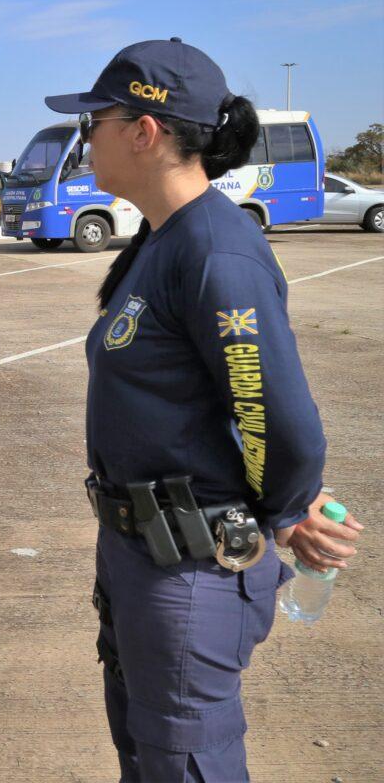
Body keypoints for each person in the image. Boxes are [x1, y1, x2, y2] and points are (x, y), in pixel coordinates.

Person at [44, 38, 364, 782]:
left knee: (189, 762)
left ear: (144, 131)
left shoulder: (217, 250)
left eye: (96, 119)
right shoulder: (163, 240)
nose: (84, 134)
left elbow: (270, 406)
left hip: (190, 568)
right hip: (140, 553)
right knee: (149, 755)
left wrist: (287, 506)